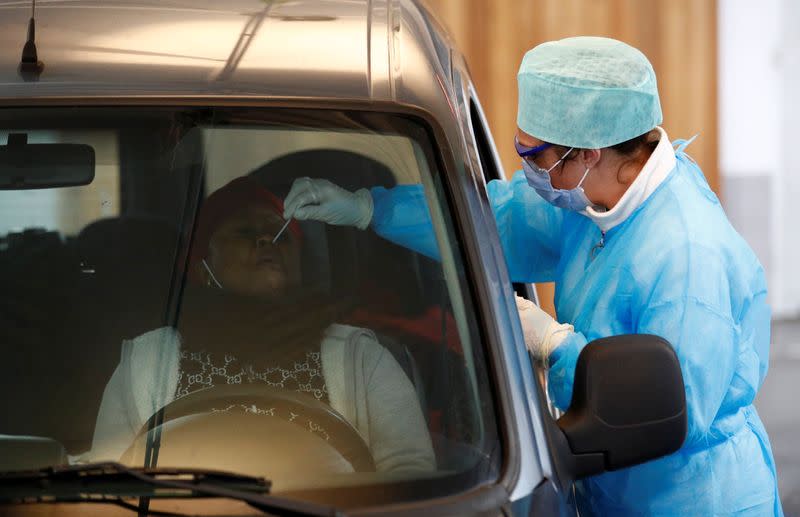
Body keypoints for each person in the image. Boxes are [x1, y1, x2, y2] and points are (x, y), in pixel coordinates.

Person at [281, 37, 783, 516]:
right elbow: (499, 221)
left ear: (587, 151)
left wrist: (558, 346)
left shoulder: (687, 255)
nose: (530, 173)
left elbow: (674, 410)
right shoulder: (595, 200)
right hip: (614, 484)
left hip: (689, 498)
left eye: (534, 157)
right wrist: (371, 208)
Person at [86, 176, 435, 475]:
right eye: (245, 233)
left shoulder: (360, 356)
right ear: (201, 269)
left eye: (281, 236)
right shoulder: (145, 362)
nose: (267, 241)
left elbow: (411, 481)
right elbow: (107, 488)